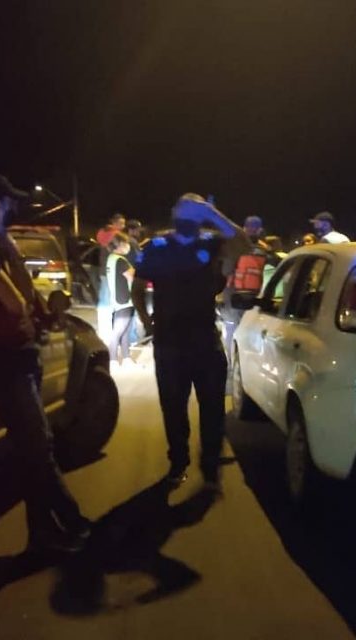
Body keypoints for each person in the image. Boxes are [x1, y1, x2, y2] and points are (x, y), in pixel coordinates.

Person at [0, 174, 89, 553]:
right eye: (9, 203)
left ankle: (41, 533)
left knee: (32, 448)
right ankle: (72, 521)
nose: (12, 210)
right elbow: (16, 302)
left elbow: (23, 298)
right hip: (4, 360)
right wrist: (22, 305)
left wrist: (10, 249)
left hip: (14, 357)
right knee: (38, 446)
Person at [131, 193, 247, 489]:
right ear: (175, 215)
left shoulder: (210, 243)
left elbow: (244, 243)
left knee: (213, 409)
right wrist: (146, 319)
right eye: (184, 209)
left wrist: (212, 212)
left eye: (194, 211)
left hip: (205, 341)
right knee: (173, 409)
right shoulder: (157, 246)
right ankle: (178, 462)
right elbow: (138, 285)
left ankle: (210, 466)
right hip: (169, 343)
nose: (187, 216)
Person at [221, 215, 280, 363]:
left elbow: (226, 270)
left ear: (244, 228)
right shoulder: (264, 249)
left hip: (234, 296)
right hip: (255, 297)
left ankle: (232, 362)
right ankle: (248, 362)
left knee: (231, 330)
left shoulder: (235, 247)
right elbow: (275, 268)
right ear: (260, 230)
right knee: (250, 332)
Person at [95, 212, 126, 342]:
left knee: (106, 300)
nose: (123, 226)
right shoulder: (113, 236)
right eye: (121, 223)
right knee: (106, 301)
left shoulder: (105, 234)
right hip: (110, 272)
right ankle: (105, 331)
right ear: (114, 223)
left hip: (106, 271)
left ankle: (105, 329)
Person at [106, 232, 135, 366]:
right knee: (118, 331)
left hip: (118, 298)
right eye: (126, 243)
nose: (128, 246)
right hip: (124, 299)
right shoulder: (121, 260)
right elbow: (130, 276)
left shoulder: (111, 258)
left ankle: (126, 357)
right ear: (121, 244)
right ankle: (112, 359)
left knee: (125, 331)